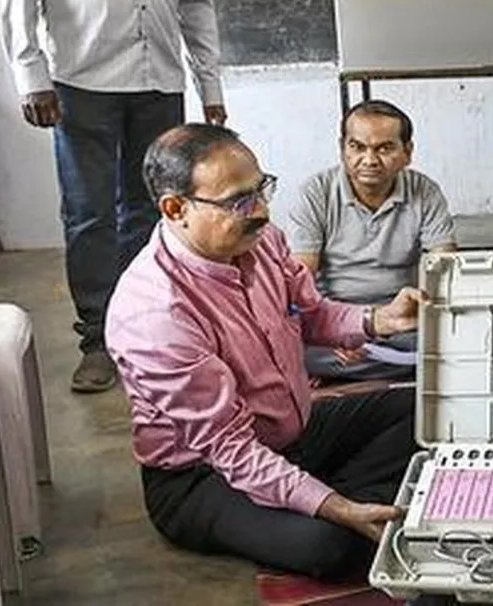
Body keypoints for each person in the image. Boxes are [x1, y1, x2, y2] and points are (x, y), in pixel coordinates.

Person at [105, 124, 422, 580]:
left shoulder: (260, 240)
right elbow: (229, 448)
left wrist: (378, 320)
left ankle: (316, 498)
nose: (260, 211)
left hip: (294, 433)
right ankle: (328, 504)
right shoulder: (157, 312)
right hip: (202, 475)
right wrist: (333, 508)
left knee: (419, 407)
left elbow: (311, 314)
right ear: (176, 209)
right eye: (239, 201)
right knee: (330, 546)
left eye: (261, 189)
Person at [0, 0, 228, 392]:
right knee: (89, 214)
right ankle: (97, 340)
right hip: (82, 81)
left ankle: (145, 326)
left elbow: (196, 2)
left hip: (158, 80)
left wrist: (209, 84)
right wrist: (32, 75)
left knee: (157, 210)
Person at [279, 100, 456, 382]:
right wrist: (337, 333)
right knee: (284, 348)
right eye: (357, 147)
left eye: (384, 148)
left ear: (407, 152)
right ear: (342, 148)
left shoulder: (424, 191)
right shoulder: (317, 193)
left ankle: (351, 371)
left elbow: (446, 269)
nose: (370, 160)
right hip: (333, 321)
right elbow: (301, 280)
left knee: (451, 344)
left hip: (402, 323)